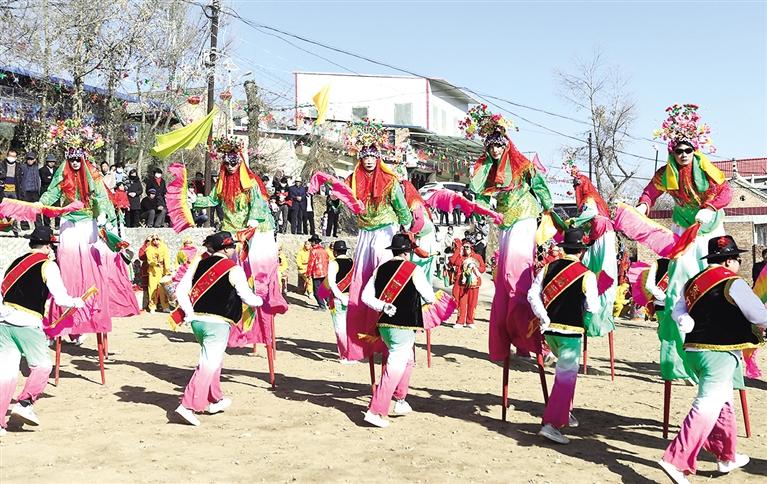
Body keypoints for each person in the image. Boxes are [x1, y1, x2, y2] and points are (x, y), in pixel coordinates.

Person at [634, 104, 732, 383]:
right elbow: (651, 190)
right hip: (682, 229)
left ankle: (719, 339)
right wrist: (643, 204)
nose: (685, 155)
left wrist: (711, 207)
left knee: (715, 279)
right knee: (678, 283)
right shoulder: (667, 172)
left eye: (689, 150)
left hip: (709, 228)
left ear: (695, 150)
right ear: (672, 152)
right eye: (679, 151)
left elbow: (725, 189)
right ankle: (680, 353)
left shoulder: (705, 167)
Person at [658, 235, 767, 483]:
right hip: (720, 351)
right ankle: (675, 459)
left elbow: (678, 310)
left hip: (695, 351)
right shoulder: (733, 282)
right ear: (729, 261)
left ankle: (726, 455)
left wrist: (683, 321)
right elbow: (758, 315)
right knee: (707, 404)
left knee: (723, 401)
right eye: (737, 258)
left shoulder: (693, 282)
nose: (738, 263)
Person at [463, 106, 553, 362]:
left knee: (517, 275)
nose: (495, 150)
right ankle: (513, 341)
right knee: (502, 278)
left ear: (507, 145)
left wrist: (549, 208)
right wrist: (482, 167)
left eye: (499, 146)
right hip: (504, 222)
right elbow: (477, 189)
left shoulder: (522, 164)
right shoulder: (489, 168)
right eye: (490, 146)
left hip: (524, 216)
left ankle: (533, 339)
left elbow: (541, 188)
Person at [40, 122, 138, 341]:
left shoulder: (92, 173)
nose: (75, 162)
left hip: (88, 224)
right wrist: (40, 205)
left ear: (83, 158)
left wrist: (104, 215)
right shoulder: (61, 173)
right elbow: (51, 194)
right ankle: (65, 316)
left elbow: (101, 197)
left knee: (91, 267)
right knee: (67, 265)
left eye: (78, 158)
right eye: (71, 158)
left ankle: (89, 316)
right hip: (67, 222)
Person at [188, 136, 286, 350]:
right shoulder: (222, 182)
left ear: (240, 161)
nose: (231, 165)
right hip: (229, 235)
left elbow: (259, 205)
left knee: (253, 279)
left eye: (234, 161)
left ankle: (258, 325)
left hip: (250, 234)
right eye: (227, 162)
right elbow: (213, 200)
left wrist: (252, 222)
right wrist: (194, 201)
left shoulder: (250, 183)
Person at [173, 232, 264, 427]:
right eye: (232, 247)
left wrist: (189, 314)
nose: (234, 250)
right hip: (218, 323)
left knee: (215, 359)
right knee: (208, 363)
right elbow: (247, 297)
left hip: (197, 322)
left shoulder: (198, 264)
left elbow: (180, 290)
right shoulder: (234, 269)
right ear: (227, 248)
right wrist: (261, 300)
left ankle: (216, 398)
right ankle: (187, 405)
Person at [0, 227, 85, 433]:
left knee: (6, 374)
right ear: (48, 246)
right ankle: (25, 404)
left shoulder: (15, 262)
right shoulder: (48, 265)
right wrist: (78, 302)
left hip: (3, 322)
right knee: (43, 366)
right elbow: (62, 299)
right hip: (28, 323)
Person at [342, 121, 413, 362]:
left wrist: (407, 228)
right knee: (363, 281)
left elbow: (402, 208)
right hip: (365, 234)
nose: (369, 160)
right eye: (364, 156)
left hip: (386, 232)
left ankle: (392, 333)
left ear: (378, 157)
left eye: (373, 155)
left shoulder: (390, 181)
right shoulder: (352, 180)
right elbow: (346, 201)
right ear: (359, 158)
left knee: (386, 278)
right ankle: (365, 337)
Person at [527, 228, 599, 444]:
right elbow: (593, 307)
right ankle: (551, 424)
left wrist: (543, 316)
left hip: (550, 333)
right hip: (571, 333)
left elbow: (532, 294)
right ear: (581, 252)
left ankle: (564, 412)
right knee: (565, 379)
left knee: (565, 376)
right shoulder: (587, 274)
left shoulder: (548, 267)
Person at [361, 233, 436, 428]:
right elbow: (430, 297)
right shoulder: (414, 270)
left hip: (384, 324)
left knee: (407, 359)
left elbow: (365, 297)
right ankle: (376, 410)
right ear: (408, 252)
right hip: (404, 325)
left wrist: (383, 306)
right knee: (395, 364)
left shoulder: (380, 269)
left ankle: (400, 399)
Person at [567, 165, 618, 338]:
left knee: (603, 272)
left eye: (578, 185)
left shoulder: (589, 198)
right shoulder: (589, 199)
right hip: (597, 237)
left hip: (603, 236)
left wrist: (574, 221)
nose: (576, 189)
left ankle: (600, 316)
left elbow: (591, 212)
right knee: (587, 268)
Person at [325, 240, 353, 360]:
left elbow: (331, 283)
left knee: (340, 328)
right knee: (350, 327)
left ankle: (345, 355)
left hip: (338, 299)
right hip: (351, 298)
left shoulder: (333, 263)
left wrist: (341, 297)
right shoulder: (352, 262)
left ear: (335, 252)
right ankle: (351, 353)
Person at [450, 239, 486, 328]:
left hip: (474, 284)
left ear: (471, 247)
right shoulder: (460, 257)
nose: (466, 249)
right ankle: (460, 321)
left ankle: (470, 321)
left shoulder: (477, 257)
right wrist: (458, 250)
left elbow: (483, 268)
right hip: (463, 284)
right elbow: (452, 262)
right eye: (464, 247)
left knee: (472, 303)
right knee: (462, 303)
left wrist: (476, 267)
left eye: (468, 247)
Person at [145, 234, 171, 313]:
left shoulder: (164, 247)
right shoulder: (149, 249)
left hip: (162, 270)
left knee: (163, 289)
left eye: (157, 239)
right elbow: (149, 260)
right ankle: (152, 306)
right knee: (152, 289)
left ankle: (165, 306)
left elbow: (167, 259)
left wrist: (167, 271)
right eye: (153, 239)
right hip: (153, 271)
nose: (155, 241)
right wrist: (155, 263)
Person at [17, 151, 42, 229]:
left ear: (34, 159)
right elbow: (18, 178)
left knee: (37, 210)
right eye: (28, 159)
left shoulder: (38, 167)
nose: (30, 160)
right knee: (24, 209)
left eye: (31, 159)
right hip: (26, 191)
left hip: (35, 191)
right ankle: (24, 226)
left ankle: (39, 226)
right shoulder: (22, 167)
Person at [305, 234, 330, 310]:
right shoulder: (324, 250)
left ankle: (322, 306)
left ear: (313, 242)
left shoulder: (313, 251)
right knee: (324, 289)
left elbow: (311, 263)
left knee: (317, 291)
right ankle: (329, 302)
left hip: (317, 273)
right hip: (324, 272)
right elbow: (327, 261)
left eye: (311, 242)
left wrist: (308, 273)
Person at [1, 149, 21, 236]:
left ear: (16, 157)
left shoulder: (19, 166)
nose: (11, 158)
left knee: (14, 209)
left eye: (13, 156)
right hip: (4, 189)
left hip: (14, 190)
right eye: (10, 155)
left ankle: (15, 227)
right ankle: (4, 226)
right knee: (3, 209)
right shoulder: (2, 164)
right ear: (7, 155)